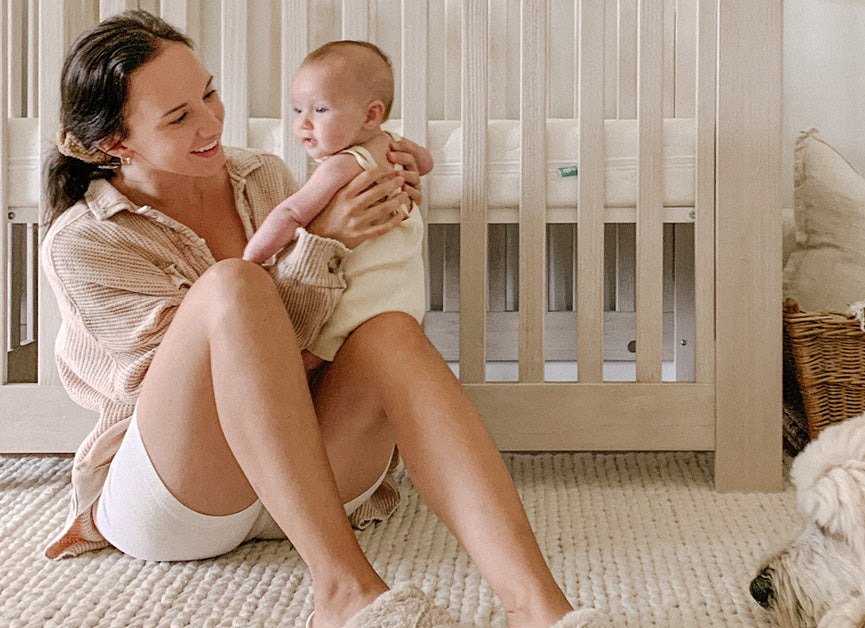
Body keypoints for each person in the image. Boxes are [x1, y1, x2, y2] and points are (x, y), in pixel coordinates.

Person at [42, 10, 601, 628]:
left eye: (209, 93)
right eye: (179, 117)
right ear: (114, 144)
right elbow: (190, 388)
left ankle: (540, 608)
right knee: (233, 284)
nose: (211, 123)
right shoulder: (84, 240)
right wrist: (324, 242)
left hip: (307, 474)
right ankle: (343, 592)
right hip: (183, 497)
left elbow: (327, 329)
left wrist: (381, 207)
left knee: (389, 332)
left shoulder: (261, 175)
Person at [243, 40, 427, 370]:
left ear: (371, 115)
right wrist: (410, 162)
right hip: (403, 289)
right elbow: (425, 162)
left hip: (364, 286)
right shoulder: (392, 144)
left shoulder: (341, 165)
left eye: (320, 110)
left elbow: (292, 213)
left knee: (316, 348)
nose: (303, 123)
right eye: (297, 110)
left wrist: (250, 260)